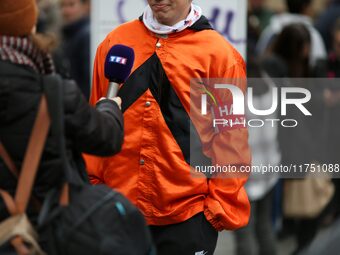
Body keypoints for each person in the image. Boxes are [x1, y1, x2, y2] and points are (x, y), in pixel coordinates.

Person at [84, 0, 251, 254]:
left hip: (188, 217)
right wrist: (92, 192)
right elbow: (94, 129)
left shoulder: (220, 55)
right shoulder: (115, 43)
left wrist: (214, 212)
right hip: (117, 213)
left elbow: (231, 143)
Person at [0, 0, 123, 252]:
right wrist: (110, 106)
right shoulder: (53, 91)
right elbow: (107, 138)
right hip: (42, 229)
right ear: (28, 24)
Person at [257, 0, 326, 66]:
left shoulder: (270, 30)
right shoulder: (313, 35)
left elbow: (259, 53)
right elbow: (319, 63)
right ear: (305, 7)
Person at [59, 0, 91, 100]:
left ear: (86, 6)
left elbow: (88, 79)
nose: (66, 11)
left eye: (71, 5)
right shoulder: (71, 34)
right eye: (62, 6)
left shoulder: (86, 36)